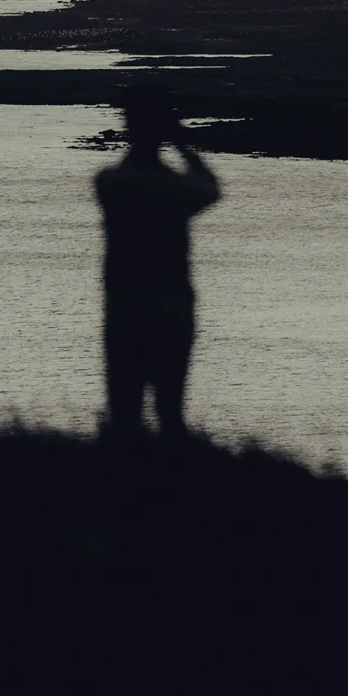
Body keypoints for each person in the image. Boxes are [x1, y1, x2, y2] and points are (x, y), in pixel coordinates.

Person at [94, 82, 221, 440]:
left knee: (124, 415)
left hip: (125, 309)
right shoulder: (173, 190)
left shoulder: (112, 183)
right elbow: (209, 189)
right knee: (170, 413)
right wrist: (183, 145)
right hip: (172, 309)